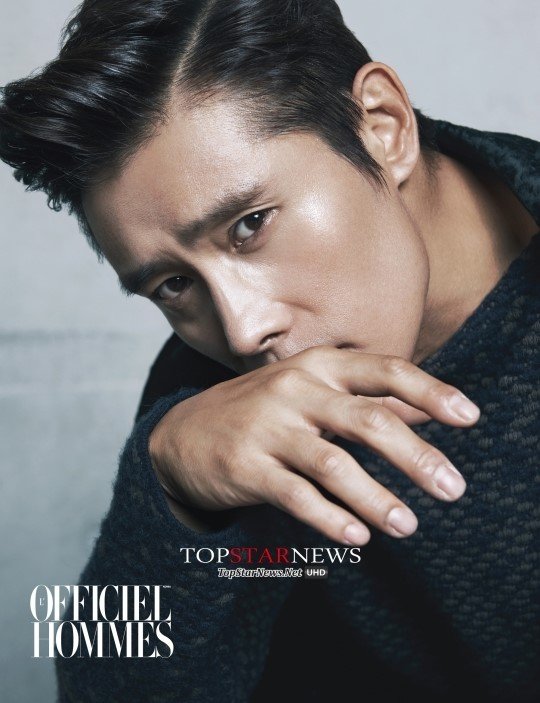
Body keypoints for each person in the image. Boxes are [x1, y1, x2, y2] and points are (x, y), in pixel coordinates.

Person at [1, 0, 538, 701]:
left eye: (250, 225)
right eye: (171, 284)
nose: (242, 331)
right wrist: (168, 492)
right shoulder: (208, 397)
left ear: (382, 127)